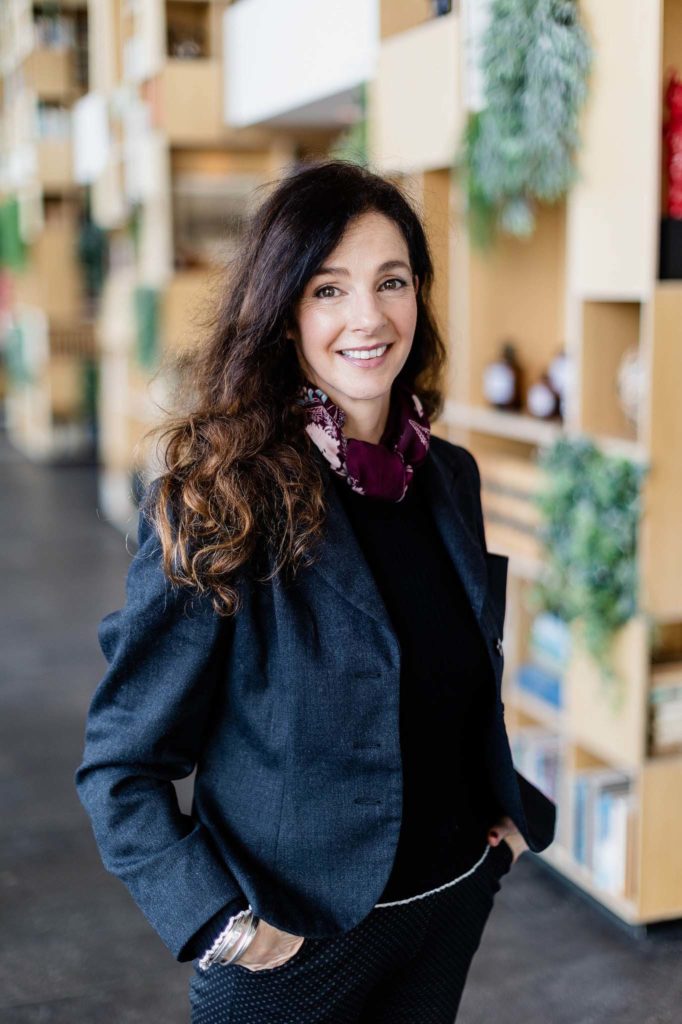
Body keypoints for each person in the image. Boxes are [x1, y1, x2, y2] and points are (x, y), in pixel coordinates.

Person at [75, 158, 556, 1023]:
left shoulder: (449, 475)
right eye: (328, 289)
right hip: (293, 950)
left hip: (446, 908)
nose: (368, 317)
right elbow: (122, 763)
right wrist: (223, 925)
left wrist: (505, 824)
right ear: (283, 313)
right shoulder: (219, 497)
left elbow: (454, 665)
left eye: (392, 281)